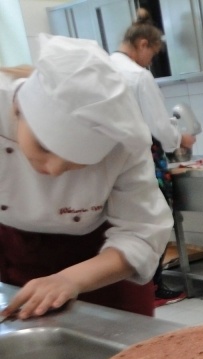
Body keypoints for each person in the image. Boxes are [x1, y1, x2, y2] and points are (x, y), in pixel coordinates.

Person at [0, 34, 172, 320]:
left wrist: (71, 279)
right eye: (43, 147)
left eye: (75, 164)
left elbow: (141, 232)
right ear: (19, 110)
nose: (53, 169)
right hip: (13, 256)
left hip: (100, 265)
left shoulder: (124, 142)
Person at [110, 9, 196, 306]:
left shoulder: (104, 69)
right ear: (143, 44)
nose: (151, 61)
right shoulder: (138, 76)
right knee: (155, 220)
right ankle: (155, 288)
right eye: (152, 54)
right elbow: (161, 127)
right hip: (143, 159)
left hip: (111, 164)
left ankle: (136, 287)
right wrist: (180, 138)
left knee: (125, 224)